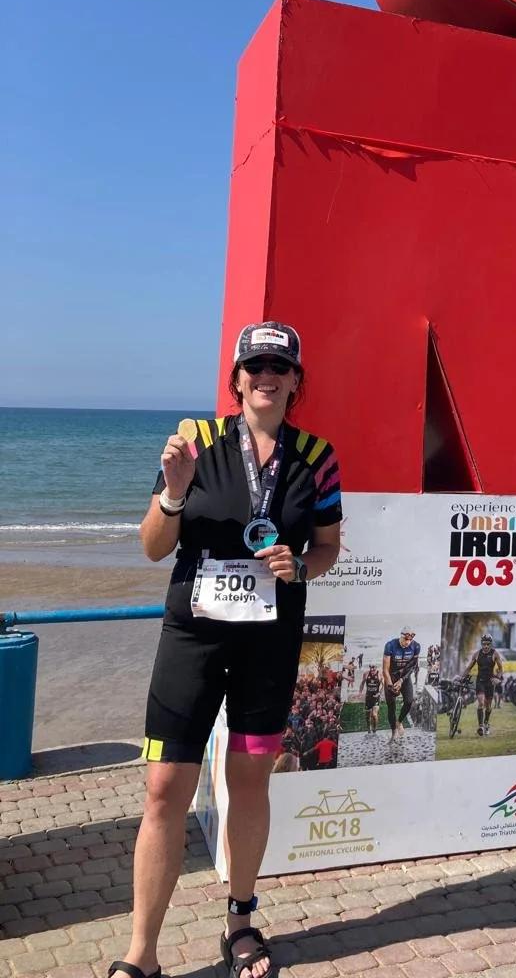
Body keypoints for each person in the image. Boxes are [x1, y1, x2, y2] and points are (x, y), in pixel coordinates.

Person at [109, 322, 341, 978]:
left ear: (296, 380)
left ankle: (241, 922)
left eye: (280, 365)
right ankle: (142, 954)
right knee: (163, 788)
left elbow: (325, 549)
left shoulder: (318, 457)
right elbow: (154, 545)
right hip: (193, 637)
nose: (267, 374)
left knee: (249, 784)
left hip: (270, 644)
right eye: (255, 363)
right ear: (237, 377)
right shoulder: (196, 442)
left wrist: (300, 563)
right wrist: (174, 492)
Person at [382, 626, 421, 743]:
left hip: (404, 677)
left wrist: (402, 680)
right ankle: (393, 732)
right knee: (391, 707)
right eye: (405, 639)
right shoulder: (390, 645)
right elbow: (385, 669)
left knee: (409, 701)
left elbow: (413, 666)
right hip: (391, 676)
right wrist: (390, 686)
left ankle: (399, 722)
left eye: (409, 640)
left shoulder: (416, 646)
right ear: (401, 636)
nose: (407, 643)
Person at [462, 634, 504, 736]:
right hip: (480, 680)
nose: (485, 646)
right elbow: (469, 668)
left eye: (488, 644)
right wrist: (462, 677)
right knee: (481, 702)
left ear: (490, 644)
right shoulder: (476, 654)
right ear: (481, 644)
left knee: (488, 706)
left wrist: (497, 678)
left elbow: (501, 669)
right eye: (484, 644)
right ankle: (480, 726)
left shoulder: (495, 654)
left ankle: (486, 723)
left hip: (490, 681)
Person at [363, 663, 383, 733]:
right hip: (368, 697)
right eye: (370, 667)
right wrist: (359, 692)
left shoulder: (380, 674)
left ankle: (375, 728)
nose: (371, 669)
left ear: (376, 667)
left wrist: (379, 693)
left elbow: (382, 685)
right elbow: (362, 683)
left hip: (375, 697)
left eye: (373, 668)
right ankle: (369, 728)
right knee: (367, 715)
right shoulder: (366, 674)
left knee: (374, 714)